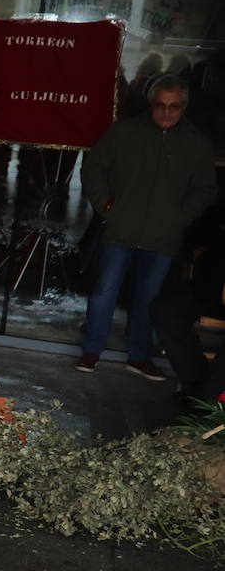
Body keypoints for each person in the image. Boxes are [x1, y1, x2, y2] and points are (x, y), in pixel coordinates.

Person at [77, 75, 215, 377]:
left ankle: (139, 356)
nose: (166, 112)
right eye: (160, 106)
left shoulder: (196, 144)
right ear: (150, 105)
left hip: (163, 237)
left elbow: (206, 189)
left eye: (174, 106)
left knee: (149, 298)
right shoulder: (124, 132)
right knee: (104, 293)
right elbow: (93, 167)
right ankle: (91, 351)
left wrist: (179, 219)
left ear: (184, 107)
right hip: (120, 229)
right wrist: (106, 207)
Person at [151, 209, 225, 406]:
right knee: (166, 309)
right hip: (212, 286)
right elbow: (203, 226)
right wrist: (197, 249)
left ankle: (206, 402)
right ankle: (196, 386)